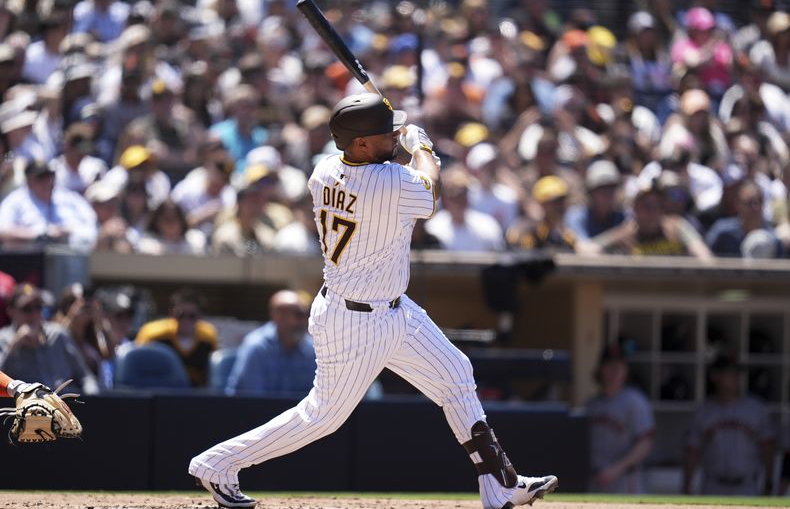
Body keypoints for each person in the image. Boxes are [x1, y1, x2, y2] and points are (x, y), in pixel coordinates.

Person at [189, 93, 558, 509]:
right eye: (383, 133)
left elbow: (387, 165)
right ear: (360, 144)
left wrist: (393, 137)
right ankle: (217, 463)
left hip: (393, 309)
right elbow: (430, 187)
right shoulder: (386, 183)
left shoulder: (325, 169)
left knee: (456, 373)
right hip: (356, 322)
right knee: (322, 417)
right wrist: (422, 146)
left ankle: (500, 485)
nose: (392, 136)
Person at [683, 354, 775, 495]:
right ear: (715, 376)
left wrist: (769, 483)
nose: (735, 378)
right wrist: (687, 485)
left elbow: (768, 449)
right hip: (713, 485)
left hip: (747, 485)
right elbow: (692, 451)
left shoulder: (756, 409)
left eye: (737, 374)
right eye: (730, 373)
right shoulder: (703, 411)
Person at [0, 283, 99, 395]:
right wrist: (14, 345)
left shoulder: (57, 334)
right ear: (11, 311)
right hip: (25, 406)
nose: (34, 314)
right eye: (26, 309)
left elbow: (85, 376)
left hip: (62, 403)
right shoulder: (3, 338)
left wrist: (92, 399)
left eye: (38, 307)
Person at [585, 341, 655, 493]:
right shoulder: (591, 405)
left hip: (625, 482)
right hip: (595, 481)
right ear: (601, 369)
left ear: (625, 370)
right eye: (610, 366)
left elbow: (645, 443)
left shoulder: (635, 401)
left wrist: (616, 469)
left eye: (619, 366)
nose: (614, 371)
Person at [225, 290, 315, 396]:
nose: (305, 320)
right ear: (278, 316)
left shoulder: (312, 349)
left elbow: (317, 395)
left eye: (307, 314)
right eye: (299, 315)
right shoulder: (256, 347)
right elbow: (254, 401)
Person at [135, 288, 217, 387]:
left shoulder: (208, 338)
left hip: (194, 397)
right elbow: (137, 369)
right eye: (180, 315)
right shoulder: (153, 335)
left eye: (192, 316)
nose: (185, 320)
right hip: (159, 393)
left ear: (200, 316)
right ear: (172, 314)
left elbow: (210, 378)